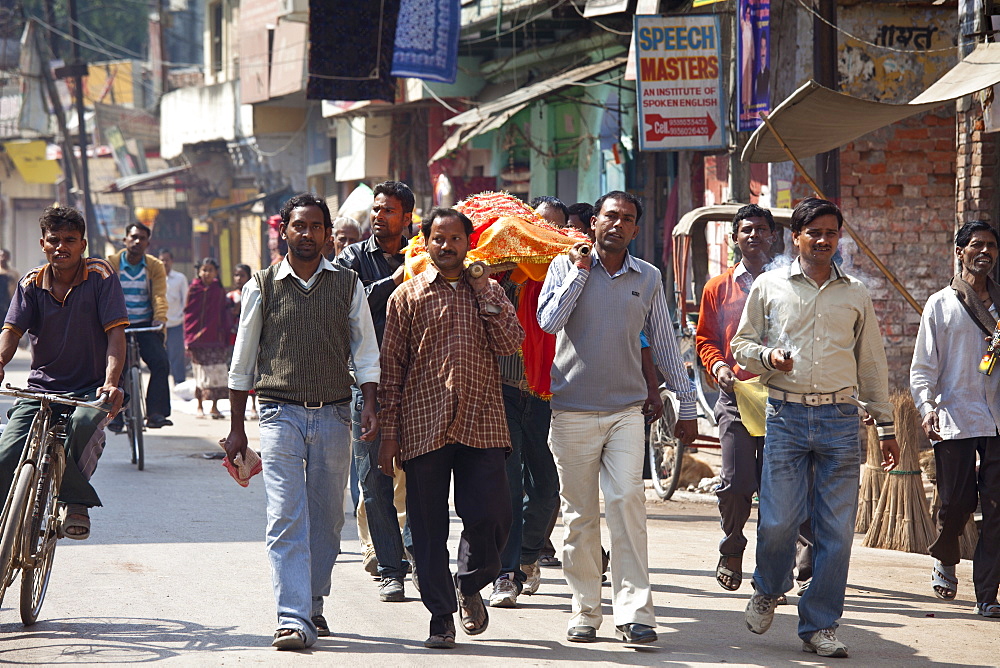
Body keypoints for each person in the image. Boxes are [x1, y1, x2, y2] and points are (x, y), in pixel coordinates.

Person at [731, 197, 899, 658]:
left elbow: (871, 364)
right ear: (796, 238)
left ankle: (820, 623)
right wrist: (768, 358)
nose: (823, 240)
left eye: (831, 232)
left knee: (837, 531)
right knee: (780, 519)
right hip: (785, 416)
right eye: (814, 233)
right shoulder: (769, 286)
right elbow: (741, 345)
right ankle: (768, 588)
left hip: (840, 421)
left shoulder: (856, 293)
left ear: (838, 237)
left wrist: (886, 426)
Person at [537, 190, 698, 645]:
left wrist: (685, 404)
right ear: (594, 223)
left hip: (627, 411)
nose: (618, 225)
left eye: (627, 219)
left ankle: (634, 613)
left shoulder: (647, 277)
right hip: (571, 411)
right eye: (611, 216)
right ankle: (585, 610)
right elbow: (549, 322)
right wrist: (579, 272)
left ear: (635, 228)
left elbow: (664, 345)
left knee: (628, 502)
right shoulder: (565, 268)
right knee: (580, 517)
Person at [224, 192, 380, 650]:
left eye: (316, 226)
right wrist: (237, 428)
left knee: (328, 519)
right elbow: (242, 362)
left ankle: (312, 602)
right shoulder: (263, 285)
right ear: (284, 232)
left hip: (335, 413)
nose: (307, 234)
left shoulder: (348, 284)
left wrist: (369, 404)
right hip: (278, 414)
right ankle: (291, 618)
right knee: (284, 517)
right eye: (299, 226)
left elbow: (366, 353)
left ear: (328, 234)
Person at [378, 207, 523, 649]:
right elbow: (391, 368)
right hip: (423, 424)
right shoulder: (406, 297)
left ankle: (470, 582)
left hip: (483, 421)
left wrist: (483, 289)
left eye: (455, 238)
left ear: (468, 242)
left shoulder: (490, 289)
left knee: (493, 514)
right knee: (427, 525)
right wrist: (388, 432)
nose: (446, 246)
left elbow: (511, 342)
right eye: (438, 238)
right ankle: (441, 615)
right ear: (425, 243)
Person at [696, 205, 813, 597]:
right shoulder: (718, 288)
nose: (754, 236)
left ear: (774, 237)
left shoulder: (792, 284)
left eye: (762, 230)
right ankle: (731, 548)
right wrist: (718, 368)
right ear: (735, 239)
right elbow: (706, 340)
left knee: (786, 485)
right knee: (735, 481)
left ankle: (788, 563)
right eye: (746, 230)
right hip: (736, 395)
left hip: (786, 396)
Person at [0, 206, 127, 540]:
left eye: (69, 240)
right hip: (41, 388)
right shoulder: (30, 283)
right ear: (43, 243)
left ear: (82, 244)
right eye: (54, 240)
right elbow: (11, 332)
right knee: (5, 453)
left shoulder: (100, 275)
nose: (61, 247)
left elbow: (116, 335)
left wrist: (111, 384)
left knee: (85, 425)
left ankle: (75, 502)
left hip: (90, 388)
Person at [910, 220, 1000, 618]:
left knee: (997, 509)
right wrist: (926, 407)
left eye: (992, 246)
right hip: (954, 416)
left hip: (997, 419)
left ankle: (987, 596)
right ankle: (946, 555)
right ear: (960, 251)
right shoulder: (940, 304)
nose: (985, 251)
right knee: (956, 504)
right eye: (977, 245)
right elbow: (923, 367)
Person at [336, 180, 415, 602]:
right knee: (374, 480)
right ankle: (390, 567)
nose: (379, 216)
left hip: (420, 385)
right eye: (377, 209)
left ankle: (420, 555)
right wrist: (396, 282)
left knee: (421, 477)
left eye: (389, 210)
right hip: (368, 386)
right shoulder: (351, 257)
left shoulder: (424, 251)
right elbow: (350, 306)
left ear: (407, 218)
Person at [107, 222, 172, 429]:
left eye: (142, 238)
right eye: (133, 237)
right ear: (125, 240)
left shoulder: (154, 266)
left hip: (146, 324)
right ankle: (114, 414)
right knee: (115, 368)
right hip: (117, 325)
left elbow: (160, 295)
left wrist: (160, 317)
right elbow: (104, 297)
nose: (137, 241)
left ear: (147, 243)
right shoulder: (111, 264)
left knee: (161, 362)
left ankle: (155, 413)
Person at [184, 258, 232, 420]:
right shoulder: (194, 289)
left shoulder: (218, 290)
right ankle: (199, 405)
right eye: (204, 270)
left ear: (216, 272)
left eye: (210, 270)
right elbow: (189, 315)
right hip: (197, 339)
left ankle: (214, 406)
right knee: (200, 373)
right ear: (198, 271)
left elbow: (223, 313)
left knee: (217, 372)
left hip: (216, 338)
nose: (207, 273)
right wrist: (188, 339)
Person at [227, 264, 256, 419]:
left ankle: (253, 406)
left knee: (251, 371)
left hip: (250, 337)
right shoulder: (230, 296)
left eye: (242, 275)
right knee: (236, 373)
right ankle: (238, 411)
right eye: (236, 275)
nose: (238, 279)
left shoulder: (254, 292)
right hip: (233, 338)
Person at [158, 249, 188, 386]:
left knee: (177, 356)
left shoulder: (180, 278)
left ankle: (180, 384)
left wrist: (182, 318)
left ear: (172, 261)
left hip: (176, 324)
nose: (165, 263)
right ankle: (162, 385)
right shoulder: (155, 277)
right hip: (159, 325)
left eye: (167, 259)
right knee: (161, 357)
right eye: (162, 259)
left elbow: (185, 300)